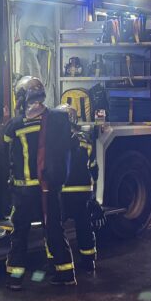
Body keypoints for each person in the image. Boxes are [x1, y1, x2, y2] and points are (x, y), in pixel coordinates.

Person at [4, 76, 76, 290]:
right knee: (53, 228)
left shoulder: (16, 125)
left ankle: (15, 278)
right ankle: (65, 273)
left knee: (20, 233)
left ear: (23, 97)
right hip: (48, 187)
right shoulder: (57, 119)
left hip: (24, 189)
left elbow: (4, 152)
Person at [61, 107, 99, 274]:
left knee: (57, 229)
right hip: (83, 192)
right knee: (84, 227)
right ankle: (89, 261)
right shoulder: (86, 140)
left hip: (63, 192)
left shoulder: (56, 141)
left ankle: (60, 263)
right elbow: (93, 168)